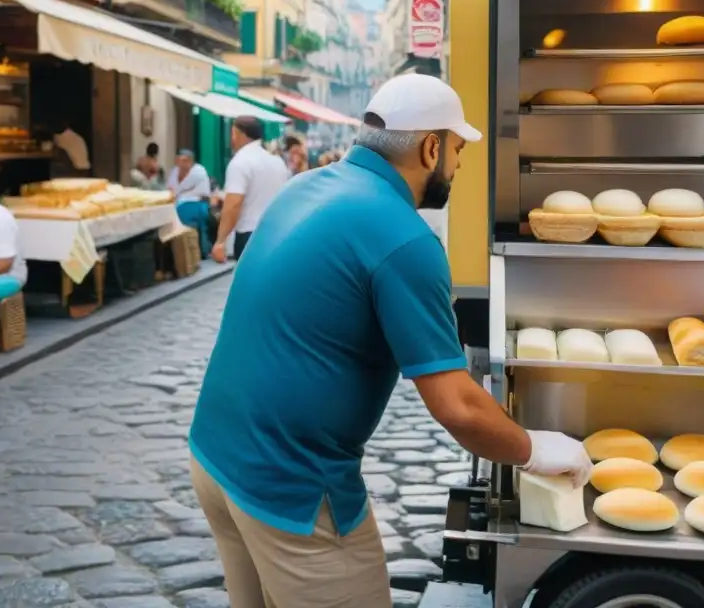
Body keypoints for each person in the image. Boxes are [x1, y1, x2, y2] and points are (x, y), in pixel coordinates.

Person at [188, 74, 592, 607]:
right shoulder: (405, 239)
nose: (459, 163)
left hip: (215, 460)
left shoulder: (305, 186)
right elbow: (457, 407)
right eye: (457, 149)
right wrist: (537, 450)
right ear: (431, 148)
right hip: (292, 488)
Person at [211, 116, 289, 263]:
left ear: (239, 134)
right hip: (277, 233)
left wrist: (220, 241)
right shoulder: (277, 162)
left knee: (247, 284)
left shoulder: (240, 162)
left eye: (232, 134)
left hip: (250, 235)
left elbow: (233, 204)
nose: (231, 139)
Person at [168, 149, 212, 257]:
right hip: (178, 202)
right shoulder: (174, 171)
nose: (181, 163)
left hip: (198, 203)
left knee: (183, 213)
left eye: (185, 160)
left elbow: (201, 194)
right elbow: (171, 188)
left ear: (190, 162)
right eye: (179, 160)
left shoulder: (199, 171)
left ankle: (201, 251)